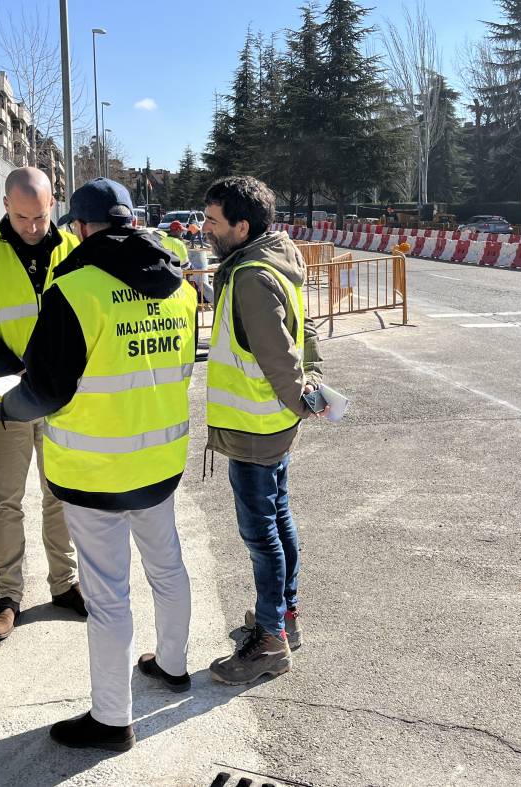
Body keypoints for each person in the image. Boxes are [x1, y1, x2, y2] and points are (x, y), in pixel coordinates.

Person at [0, 178, 197, 751]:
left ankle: (112, 720)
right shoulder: (179, 288)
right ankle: (174, 665)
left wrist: (10, 402)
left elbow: (47, 389)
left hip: (95, 473)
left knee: (109, 596)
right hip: (159, 463)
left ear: (80, 228)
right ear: (132, 221)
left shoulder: (75, 290)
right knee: (167, 567)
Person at [202, 175, 325, 685]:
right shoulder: (276, 259)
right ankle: (284, 617)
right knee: (278, 518)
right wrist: (311, 384)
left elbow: (277, 353)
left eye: (212, 220)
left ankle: (270, 640)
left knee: (261, 536)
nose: (203, 227)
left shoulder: (251, 276)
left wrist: (300, 394)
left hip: (255, 429)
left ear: (241, 226)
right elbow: (305, 331)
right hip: (270, 426)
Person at [0, 167, 85, 642]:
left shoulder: (74, 249)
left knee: (61, 494)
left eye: (40, 215)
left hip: (61, 400)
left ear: (54, 203)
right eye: (21, 216)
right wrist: (20, 374)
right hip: (8, 397)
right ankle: (8, 595)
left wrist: (52, 375)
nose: (32, 226)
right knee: (6, 500)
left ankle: (64, 584)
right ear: (5, 204)